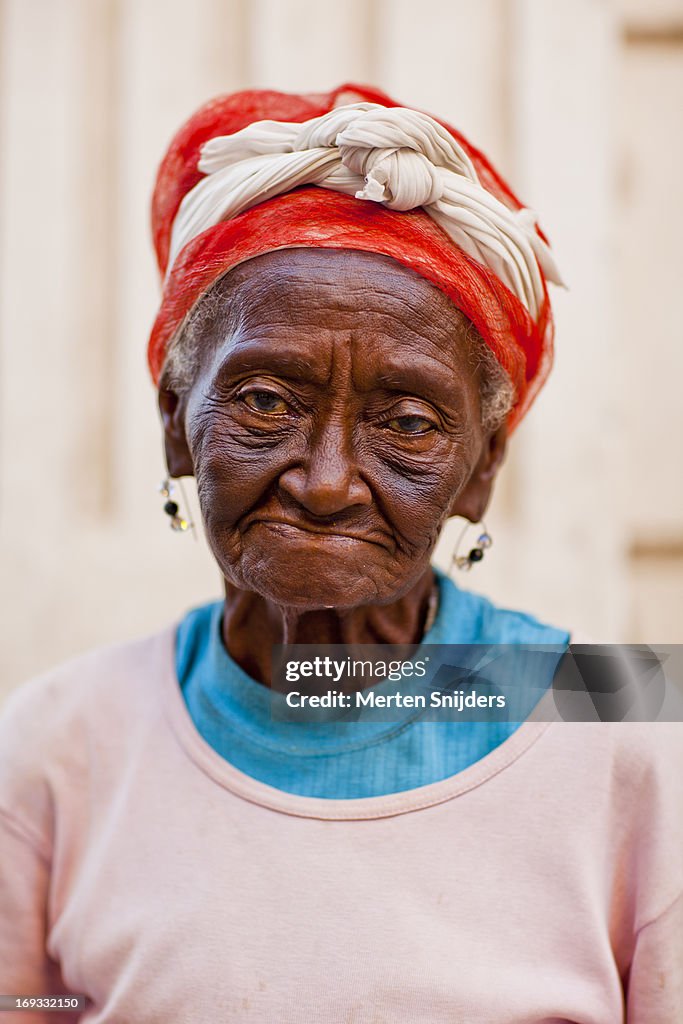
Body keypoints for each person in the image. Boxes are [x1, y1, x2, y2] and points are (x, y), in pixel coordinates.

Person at [0, 83, 681, 1023]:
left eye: (406, 421)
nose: (325, 483)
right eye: (266, 401)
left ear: (480, 471)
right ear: (174, 426)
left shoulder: (631, 723)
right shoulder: (52, 747)